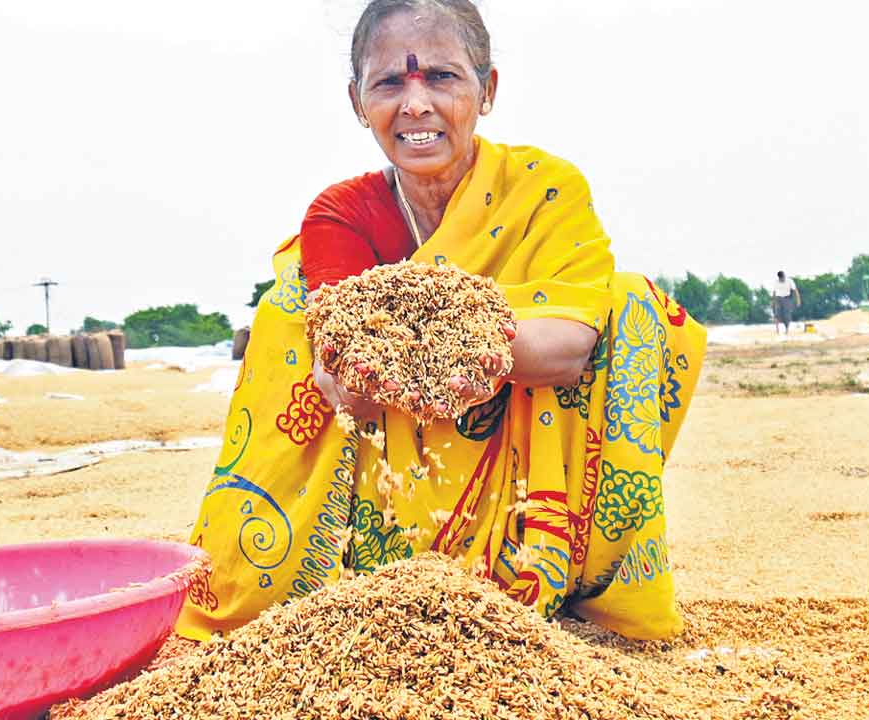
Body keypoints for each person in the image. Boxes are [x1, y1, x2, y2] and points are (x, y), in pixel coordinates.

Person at [178, 0, 706, 642]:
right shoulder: (343, 215)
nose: (416, 104)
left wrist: (423, 338)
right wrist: (440, 347)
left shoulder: (545, 192)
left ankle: (562, 581)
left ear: (488, 90)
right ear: (356, 100)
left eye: (442, 77)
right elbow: (348, 380)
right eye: (391, 82)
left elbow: (568, 346)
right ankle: (364, 585)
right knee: (286, 309)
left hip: (526, 459)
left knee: (630, 303)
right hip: (391, 485)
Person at [771, 270, 800, 334]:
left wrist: (798, 300)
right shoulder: (776, 282)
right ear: (779, 278)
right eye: (781, 278)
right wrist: (772, 302)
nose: (783, 279)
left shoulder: (790, 281)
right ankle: (777, 330)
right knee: (777, 314)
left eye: (783, 277)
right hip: (778, 298)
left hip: (787, 298)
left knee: (787, 315)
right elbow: (774, 292)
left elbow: (795, 291)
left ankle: (787, 329)